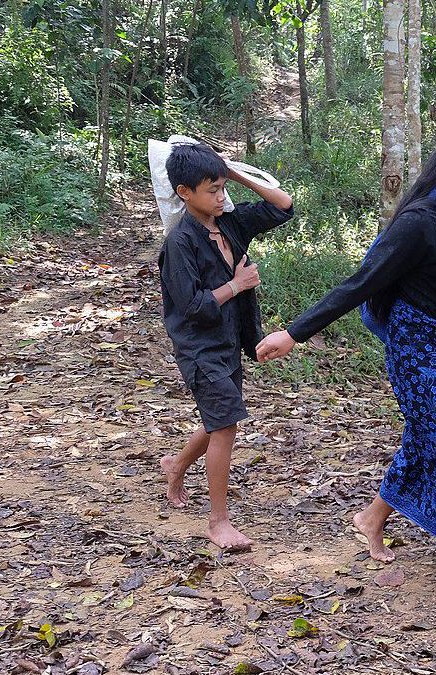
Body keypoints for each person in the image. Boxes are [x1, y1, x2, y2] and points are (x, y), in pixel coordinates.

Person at [255, 133, 436, 609]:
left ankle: (373, 517)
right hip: (419, 347)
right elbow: (361, 282)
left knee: (435, 439)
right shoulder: (419, 225)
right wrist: (293, 333)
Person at [157, 142, 295, 552]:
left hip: (230, 339)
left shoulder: (230, 224)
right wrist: (236, 285)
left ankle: (177, 463)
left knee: (221, 415)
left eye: (222, 188)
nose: (221, 197)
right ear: (184, 192)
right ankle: (218, 522)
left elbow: (284, 206)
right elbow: (193, 306)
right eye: (211, 189)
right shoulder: (179, 243)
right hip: (199, 345)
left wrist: (233, 173)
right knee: (226, 424)